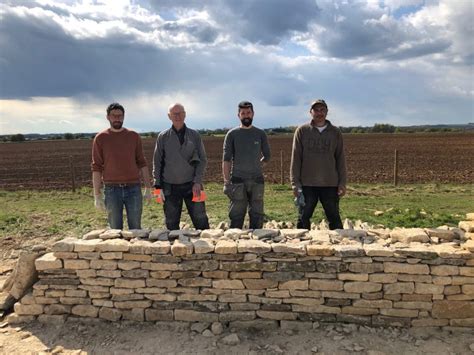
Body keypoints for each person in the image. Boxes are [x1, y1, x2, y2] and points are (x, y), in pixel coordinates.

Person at [91, 102, 152, 230]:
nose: (117, 118)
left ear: (124, 117)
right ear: (108, 117)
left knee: (136, 228)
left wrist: (147, 187)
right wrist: (97, 195)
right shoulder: (100, 138)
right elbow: (96, 167)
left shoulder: (133, 136)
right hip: (111, 190)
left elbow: (142, 162)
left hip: (134, 189)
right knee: (115, 229)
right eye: (114, 115)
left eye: (120, 116)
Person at [290, 99, 347, 230]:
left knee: (334, 217)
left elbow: (340, 159)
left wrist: (342, 183)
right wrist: (295, 184)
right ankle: (301, 246)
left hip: (330, 183)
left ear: (327, 112)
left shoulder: (335, 132)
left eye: (322, 110)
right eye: (316, 110)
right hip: (307, 184)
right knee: (303, 218)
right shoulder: (302, 131)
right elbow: (296, 159)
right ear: (311, 112)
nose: (319, 113)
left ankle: (338, 247)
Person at [152, 103, 210, 230]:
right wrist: (157, 187)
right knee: (171, 222)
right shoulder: (163, 137)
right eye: (174, 114)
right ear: (169, 116)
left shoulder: (195, 135)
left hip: (194, 186)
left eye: (180, 113)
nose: (177, 116)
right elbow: (157, 163)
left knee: (201, 220)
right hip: (169, 187)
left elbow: (203, 160)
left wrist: (197, 182)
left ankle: (207, 249)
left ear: (185, 114)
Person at [222, 101, 271, 229]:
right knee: (236, 215)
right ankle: (234, 244)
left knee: (257, 214)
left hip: (257, 181)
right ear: (238, 115)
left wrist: (257, 165)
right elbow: (226, 159)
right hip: (237, 181)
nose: (246, 115)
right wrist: (226, 182)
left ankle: (258, 244)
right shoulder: (232, 134)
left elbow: (267, 156)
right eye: (243, 113)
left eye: (248, 112)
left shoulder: (260, 134)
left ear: (253, 114)